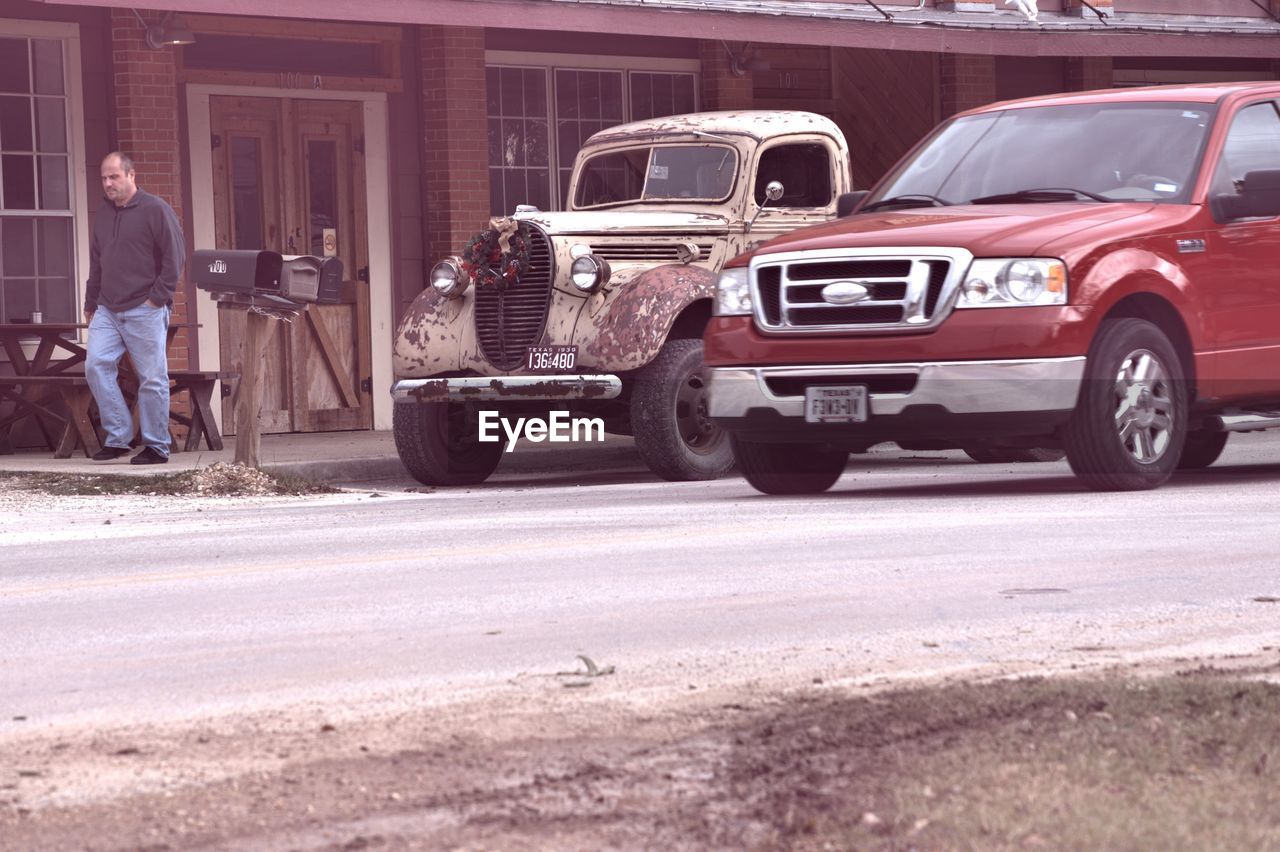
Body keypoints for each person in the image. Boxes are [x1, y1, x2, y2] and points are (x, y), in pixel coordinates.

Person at [84, 152, 185, 465]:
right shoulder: (103, 213)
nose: (108, 183)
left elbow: (175, 258)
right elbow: (97, 262)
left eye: (114, 176)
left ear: (131, 176)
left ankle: (156, 446)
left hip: (145, 308)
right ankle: (118, 439)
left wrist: (157, 298)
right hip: (108, 308)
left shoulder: (156, 209)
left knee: (152, 378)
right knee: (96, 365)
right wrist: (91, 301)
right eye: (104, 178)